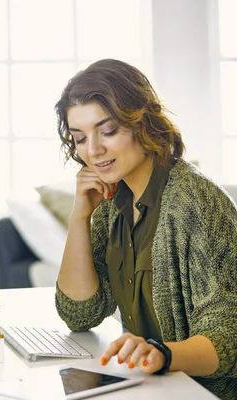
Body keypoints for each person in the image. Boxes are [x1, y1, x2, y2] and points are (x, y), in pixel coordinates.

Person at [53, 58, 237, 400]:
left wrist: (162, 354)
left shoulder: (193, 203)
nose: (93, 151)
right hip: (153, 388)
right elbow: (80, 313)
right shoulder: (112, 201)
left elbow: (228, 337)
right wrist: (79, 217)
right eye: (80, 138)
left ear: (142, 122)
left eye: (107, 131)